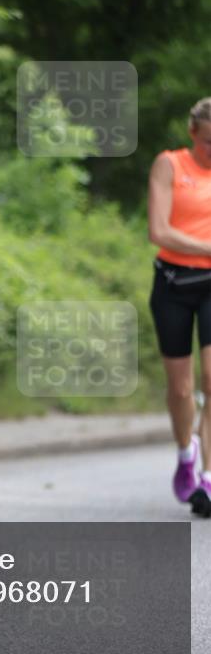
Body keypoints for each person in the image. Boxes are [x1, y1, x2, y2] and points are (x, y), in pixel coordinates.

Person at [148, 97, 211, 518]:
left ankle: (208, 476)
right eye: (209, 142)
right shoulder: (169, 165)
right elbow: (159, 231)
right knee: (182, 389)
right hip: (173, 284)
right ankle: (186, 452)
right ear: (193, 133)